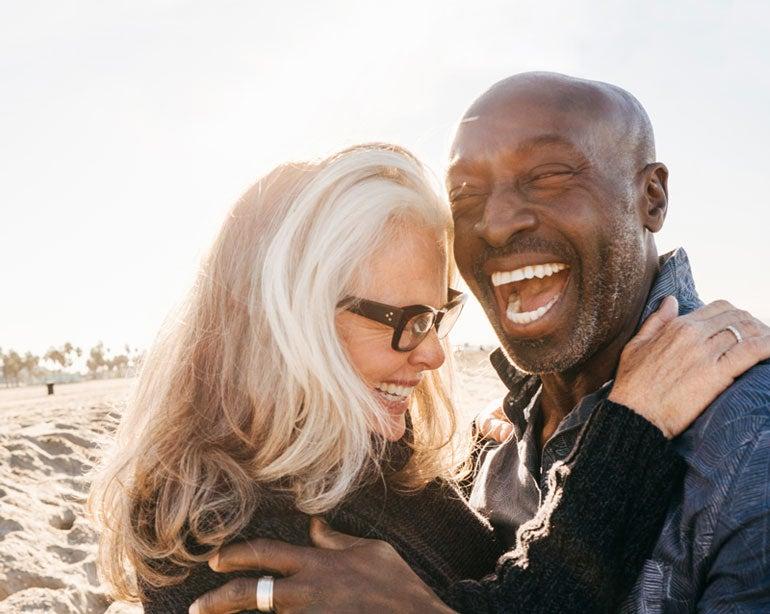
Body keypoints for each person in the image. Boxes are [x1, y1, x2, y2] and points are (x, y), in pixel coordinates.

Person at [88, 143, 769, 614]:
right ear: (285, 323)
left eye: (438, 314)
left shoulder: (347, 453)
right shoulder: (229, 534)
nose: (435, 354)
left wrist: (495, 443)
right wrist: (635, 423)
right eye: (402, 320)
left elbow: (441, 561)